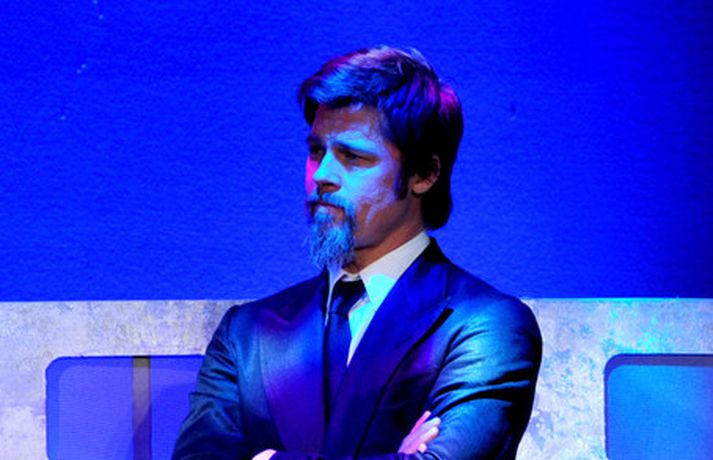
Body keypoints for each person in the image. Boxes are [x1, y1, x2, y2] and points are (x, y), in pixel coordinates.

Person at [173, 45, 542, 460]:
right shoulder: (247, 333)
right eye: (316, 151)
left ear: (424, 173)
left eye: (352, 156)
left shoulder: (485, 325)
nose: (322, 175)